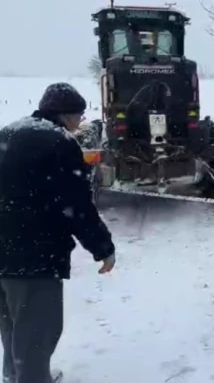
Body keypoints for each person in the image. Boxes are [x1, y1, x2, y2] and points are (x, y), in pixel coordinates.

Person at [0, 83, 116, 383]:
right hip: (33, 254)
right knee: (37, 329)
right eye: (79, 116)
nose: (80, 123)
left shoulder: (7, 132)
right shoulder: (59, 142)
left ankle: (15, 375)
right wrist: (102, 247)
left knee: (12, 322)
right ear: (67, 115)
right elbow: (76, 205)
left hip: (4, 251)